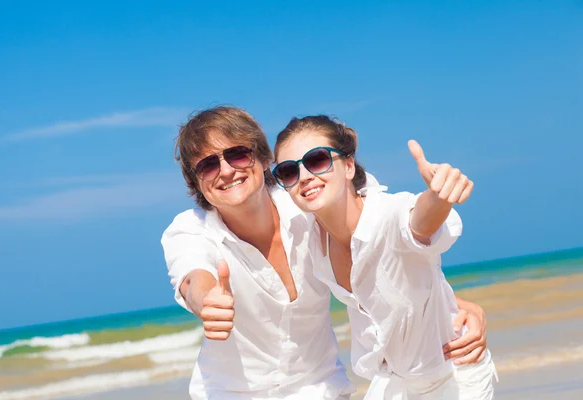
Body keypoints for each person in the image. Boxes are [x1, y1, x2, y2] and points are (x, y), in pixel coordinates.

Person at [161, 106, 490, 400]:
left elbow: (393, 239)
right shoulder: (189, 231)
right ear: (196, 182)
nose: (227, 170)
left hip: (320, 390)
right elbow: (192, 277)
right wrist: (207, 302)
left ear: (262, 160)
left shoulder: (313, 197)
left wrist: (457, 307)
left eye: (237, 154)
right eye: (207, 165)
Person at [272, 115, 498, 399]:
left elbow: (416, 222)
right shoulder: (310, 235)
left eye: (317, 160)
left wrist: (440, 196)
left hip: (452, 378)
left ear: (349, 166)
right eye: (289, 171)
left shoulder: (387, 215)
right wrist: (462, 304)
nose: (304, 176)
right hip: (391, 384)